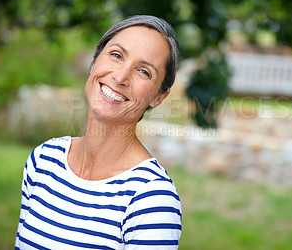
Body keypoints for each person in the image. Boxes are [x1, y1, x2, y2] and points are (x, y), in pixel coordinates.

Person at [15, 15, 182, 249]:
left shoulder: (151, 198)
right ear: (95, 60)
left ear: (158, 97)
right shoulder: (43, 160)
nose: (120, 77)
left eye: (144, 71)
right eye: (116, 55)